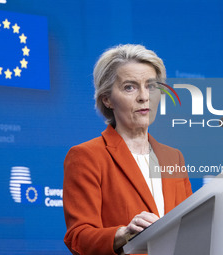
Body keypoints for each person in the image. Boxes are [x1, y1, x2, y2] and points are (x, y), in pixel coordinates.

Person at [63, 44, 192, 255]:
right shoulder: (87, 156)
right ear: (107, 99)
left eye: (151, 86)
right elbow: (78, 237)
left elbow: (191, 226)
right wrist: (122, 235)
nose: (144, 97)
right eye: (130, 87)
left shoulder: (173, 157)